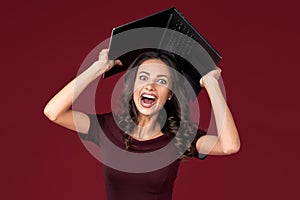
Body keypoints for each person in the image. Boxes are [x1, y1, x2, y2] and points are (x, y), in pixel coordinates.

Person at [44, 49, 240, 200]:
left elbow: (230, 145)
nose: (150, 86)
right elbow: (53, 112)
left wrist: (212, 84)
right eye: (143, 77)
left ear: (170, 94)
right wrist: (98, 67)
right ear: (133, 86)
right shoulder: (107, 127)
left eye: (161, 81)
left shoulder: (180, 137)